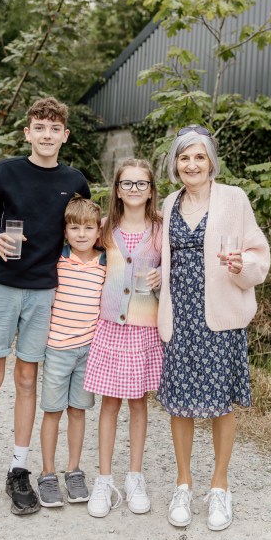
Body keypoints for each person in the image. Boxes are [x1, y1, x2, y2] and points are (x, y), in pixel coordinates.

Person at [0, 97, 90, 519]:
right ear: (27, 132)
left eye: (54, 128)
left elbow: (82, 232)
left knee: (28, 379)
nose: (47, 135)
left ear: (65, 135)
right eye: (39, 127)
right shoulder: (6, 171)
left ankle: (18, 468)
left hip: (46, 292)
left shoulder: (75, 180)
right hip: (3, 286)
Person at [157, 125, 270, 531]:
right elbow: (159, 257)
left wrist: (246, 266)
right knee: (179, 402)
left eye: (199, 157)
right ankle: (183, 483)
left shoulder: (234, 200)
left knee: (221, 403)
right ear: (175, 164)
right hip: (179, 317)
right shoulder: (169, 203)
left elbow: (259, 253)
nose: (192, 164)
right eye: (184, 157)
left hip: (220, 318)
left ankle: (219, 487)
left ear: (211, 162)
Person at [84, 158, 163, 518]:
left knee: (138, 403)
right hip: (110, 328)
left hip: (144, 329)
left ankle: (135, 476)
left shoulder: (160, 230)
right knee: (109, 404)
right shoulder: (104, 229)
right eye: (127, 183)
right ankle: (104, 478)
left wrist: (163, 276)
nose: (134, 189)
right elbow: (77, 258)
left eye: (141, 184)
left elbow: (174, 268)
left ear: (150, 190)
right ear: (117, 189)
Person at [37, 195, 106, 508]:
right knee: (52, 411)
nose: (81, 234)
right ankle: (47, 473)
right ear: (65, 231)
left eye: (88, 227)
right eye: (74, 227)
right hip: (57, 349)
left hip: (88, 351)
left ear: (97, 231)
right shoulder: (58, 259)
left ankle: (73, 470)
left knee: (78, 411)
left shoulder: (104, 262)